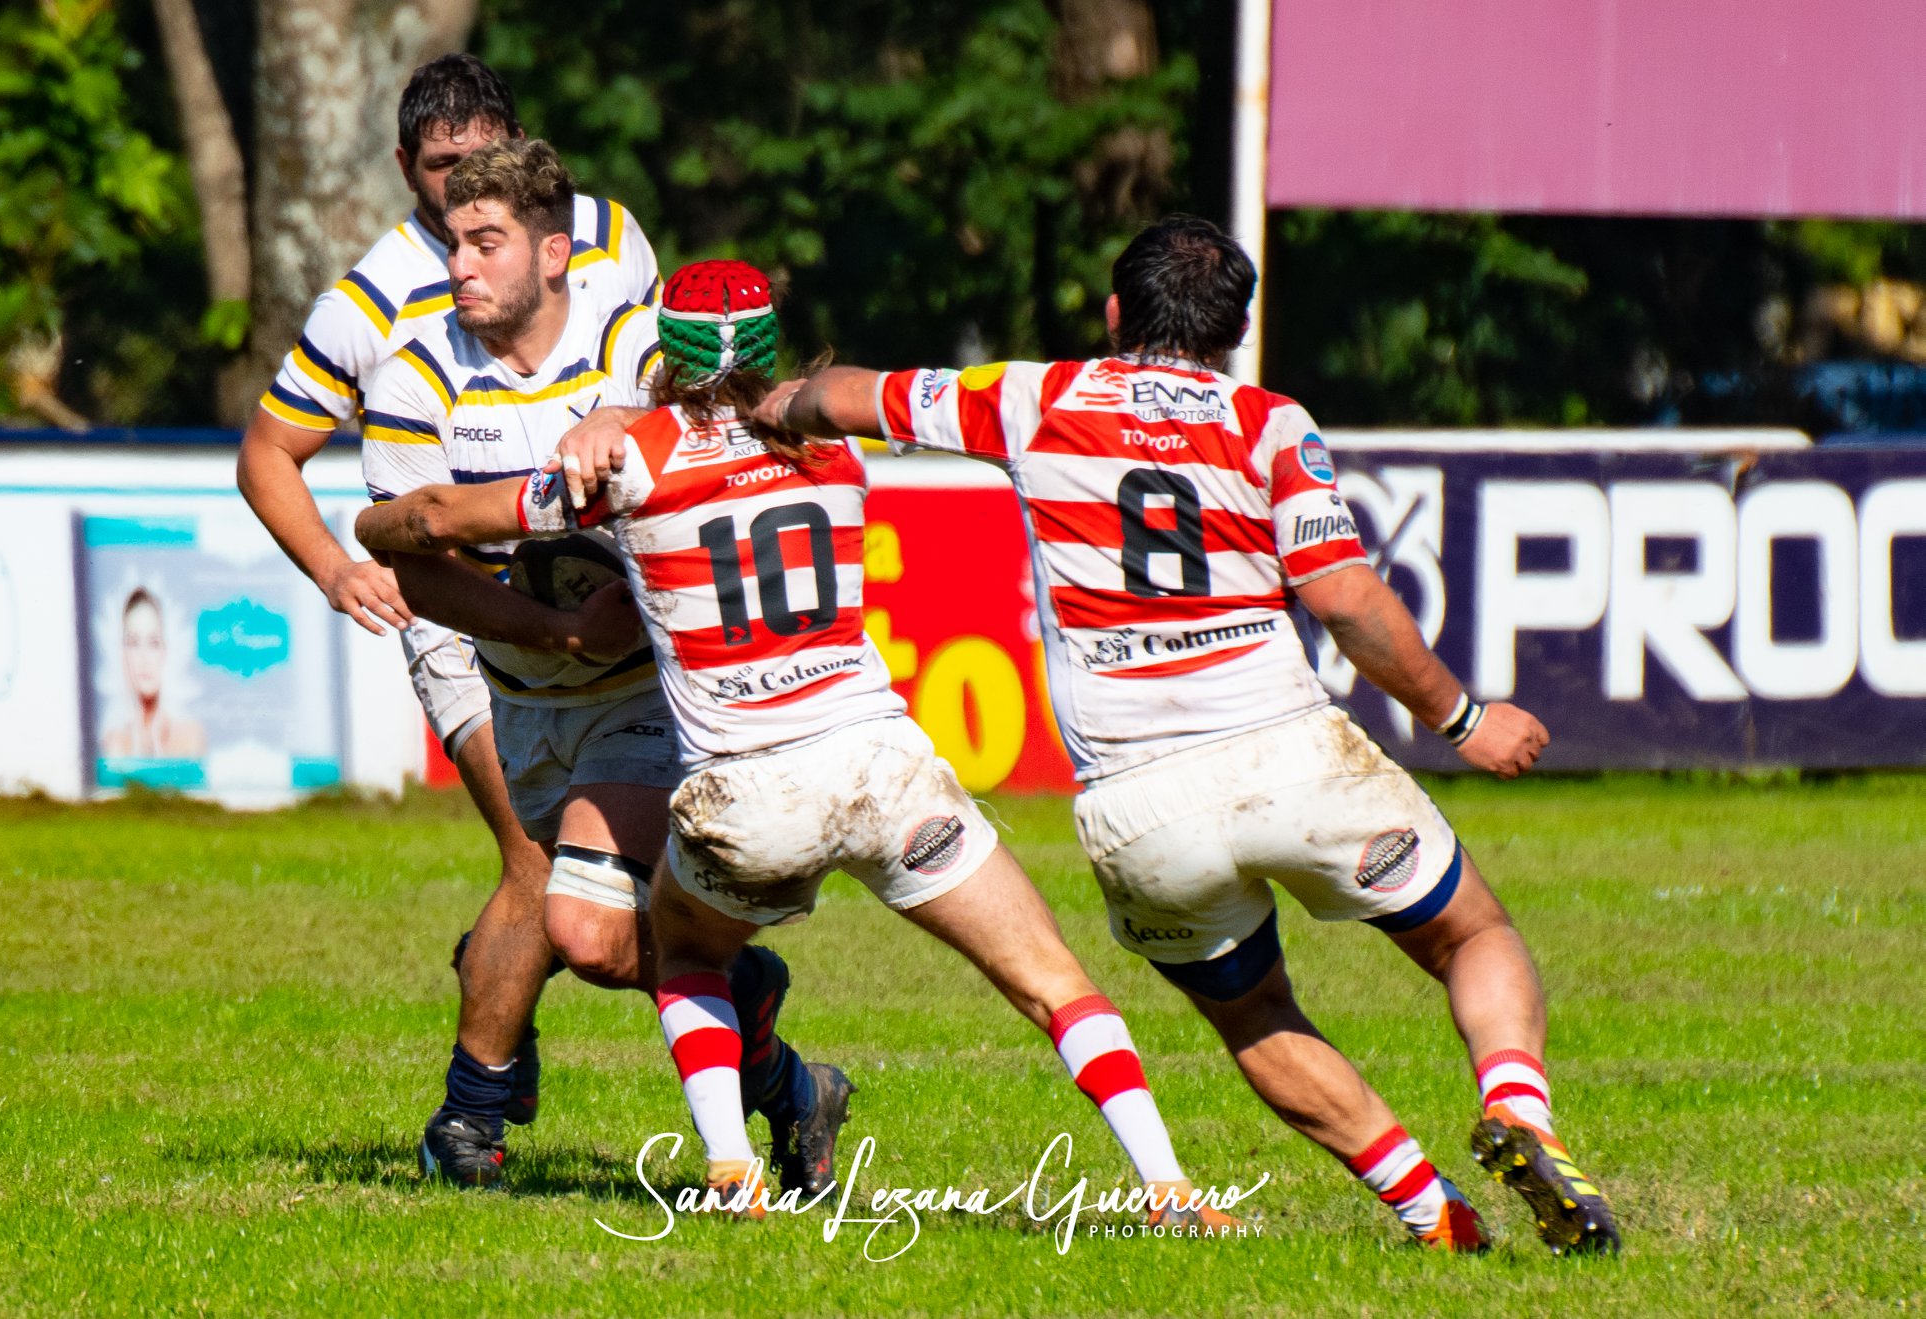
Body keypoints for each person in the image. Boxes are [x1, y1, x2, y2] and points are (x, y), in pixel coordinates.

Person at [756, 214, 1622, 1255]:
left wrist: (766, 405)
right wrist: (1462, 719)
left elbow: (843, 396)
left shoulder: (1032, 396)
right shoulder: (1269, 423)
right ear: (1236, 329)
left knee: (1253, 1011)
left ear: (1113, 312)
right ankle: (1517, 1111)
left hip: (1139, 802)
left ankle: (1431, 1211)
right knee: (1471, 935)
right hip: (1290, 755)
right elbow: (1343, 597)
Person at [358, 257, 1241, 1226]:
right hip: (882, 768)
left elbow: (434, 517)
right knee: (1049, 977)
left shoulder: (630, 461)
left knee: (686, 955)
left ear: (662, 350)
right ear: (768, 344)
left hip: (749, 792)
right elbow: (833, 397)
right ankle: (1169, 1185)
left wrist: (371, 522)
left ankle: (732, 1170)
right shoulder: (829, 441)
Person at [353, 145, 839, 1191]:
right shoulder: (411, 375)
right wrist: (557, 629)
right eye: (452, 244)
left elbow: (725, 426)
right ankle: (771, 1052)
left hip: (646, 694)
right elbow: (417, 569)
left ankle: (471, 1114)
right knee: (606, 931)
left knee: (574, 921)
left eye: (486, 243)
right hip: (523, 692)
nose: (460, 266)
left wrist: (627, 417)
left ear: (553, 253)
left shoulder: (632, 345)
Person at [236, 54, 658, 1166]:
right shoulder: (370, 301)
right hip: (454, 602)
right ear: (402, 168)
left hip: (605, 590)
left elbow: (655, 393)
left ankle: (491, 1064)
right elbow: (267, 453)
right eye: (436, 166)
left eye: (480, 158)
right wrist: (336, 567)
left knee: (576, 878)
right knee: (534, 855)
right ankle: (475, 1105)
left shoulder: (603, 234)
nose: (457, 182)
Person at [103, 588, 206, 759]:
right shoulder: (115, 741)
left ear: (167, 651)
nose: (144, 658)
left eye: (154, 643)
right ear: (122, 653)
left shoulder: (189, 736)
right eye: (133, 643)